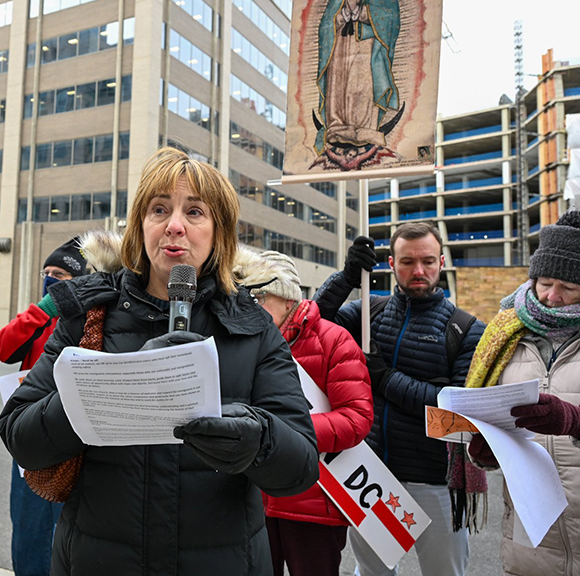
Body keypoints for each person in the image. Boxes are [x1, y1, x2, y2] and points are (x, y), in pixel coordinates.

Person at [0, 147, 319, 575]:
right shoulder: (89, 315)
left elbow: (301, 468)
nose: (175, 226)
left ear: (218, 232)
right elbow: (19, 435)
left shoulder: (253, 327)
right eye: (159, 209)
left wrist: (257, 440)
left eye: (195, 212)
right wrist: (112, 387)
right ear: (140, 226)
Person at [314, 223, 484, 576]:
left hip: (435, 480)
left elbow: (456, 410)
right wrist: (345, 278)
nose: (418, 271)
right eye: (407, 262)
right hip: (370, 475)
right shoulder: (367, 314)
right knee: (373, 572)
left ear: (441, 262)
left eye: (427, 261)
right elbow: (314, 321)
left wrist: (385, 378)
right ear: (391, 263)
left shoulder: (465, 328)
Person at [459, 209, 580, 575]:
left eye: (568, 287)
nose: (551, 296)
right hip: (530, 542)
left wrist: (573, 421)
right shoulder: (505, 334)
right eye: (544, 281)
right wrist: (484, 451)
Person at [242, 250, 373, 576]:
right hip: (253, 499)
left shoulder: (334, 340)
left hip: (315, 501)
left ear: (288, 299)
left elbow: (356, 419)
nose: (249, 306)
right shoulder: (244, 343)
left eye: (259, 297)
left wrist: (281, 433)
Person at [0, 238, 87, 576]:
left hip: (74, 440)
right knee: (28, 531)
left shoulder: (90, 318)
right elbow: (4, 348)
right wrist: (42, 310)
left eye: (59, 274)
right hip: (33, 437)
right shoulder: (41, 315)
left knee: (67, 533)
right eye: (46, 272)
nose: (49, 278)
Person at [316, 0, 401, 158]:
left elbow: (389, 17)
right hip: (341, 46)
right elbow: (326, 24)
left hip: (366, 44)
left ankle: (364, 127)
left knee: (362, 85)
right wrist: (343, 14)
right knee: (340, 85)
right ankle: (338, 126)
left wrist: (361, 12)